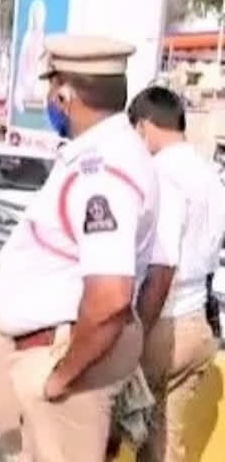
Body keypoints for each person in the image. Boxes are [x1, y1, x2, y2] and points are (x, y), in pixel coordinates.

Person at [0, 35, 159, 462]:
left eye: (50, 87)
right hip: (66, 353)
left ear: (64, 94)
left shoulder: (103, 172)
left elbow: (110, 298)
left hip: (70, 362)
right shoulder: (102, 155)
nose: (49, 99)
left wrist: (59, 379)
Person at [127, 86, 225, 462]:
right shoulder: (210, 175)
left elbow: (162, 267)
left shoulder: (162, 175)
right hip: (198, 324)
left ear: (145, 127)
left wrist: (136, 334)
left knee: (108, 430)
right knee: (168, 445)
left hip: (161, 326)